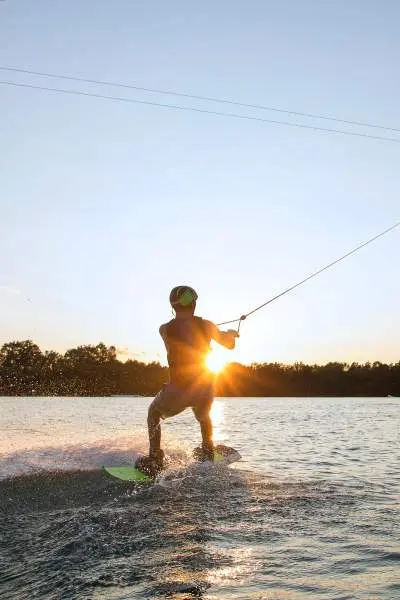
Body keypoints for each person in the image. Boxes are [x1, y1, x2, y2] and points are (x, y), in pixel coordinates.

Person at [136, 285, 239, 476]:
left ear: (173, 306)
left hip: (177, 392)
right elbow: (229, 345)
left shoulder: (164, 329)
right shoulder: (207, 325)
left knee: (154, 413)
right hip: (204, 390)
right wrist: (231, 334)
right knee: (203, 416)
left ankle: (155, 457)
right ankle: (208, 450)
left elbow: (183, 334)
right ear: (194, 303)